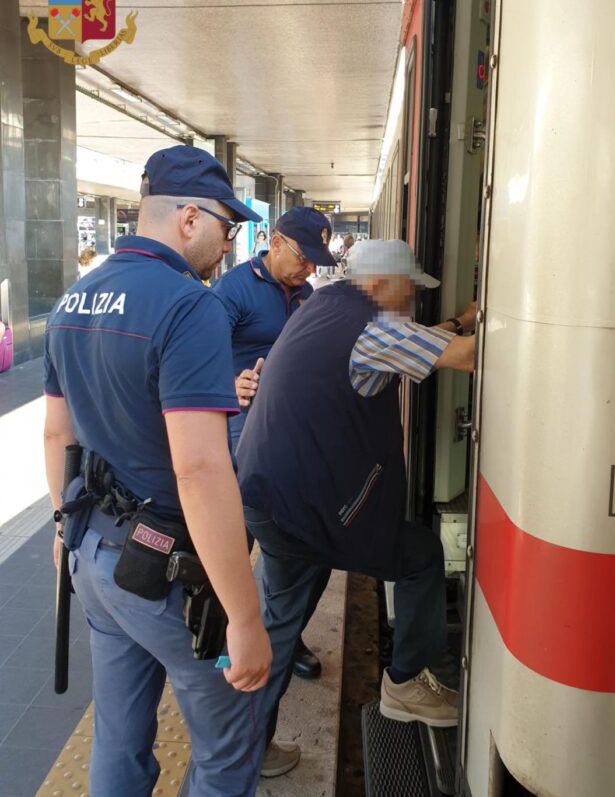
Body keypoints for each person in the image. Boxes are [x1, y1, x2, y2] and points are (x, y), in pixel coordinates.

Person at [43, 146, 271, 797]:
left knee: (118, 739)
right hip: (169, 576)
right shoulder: (187, 306)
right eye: (229, 229)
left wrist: (64, 535)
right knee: (229, 747)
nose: (229, 247)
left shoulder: (73, 300)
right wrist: (246, 618)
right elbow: (200, 470)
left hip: (95, 556)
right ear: (191, 219)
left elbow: (58, 435)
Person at [225, 239, 476, 791]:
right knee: (420, 556)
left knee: (281, 623)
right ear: (384, 283)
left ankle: (242, 748)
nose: (410, 300)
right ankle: (406, 684)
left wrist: (459, 318)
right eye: (409, 289)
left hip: (271, 494)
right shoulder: (375, 325)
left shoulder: (324, 303)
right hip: (307, 504)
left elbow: (418, 344)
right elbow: (467, 357)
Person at [213, 205, 338, 778]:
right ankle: (230, 653)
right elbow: (188, 360)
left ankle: (281, 638)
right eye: (302, 256)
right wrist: (228, 383)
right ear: (273, 240)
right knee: (233, 561)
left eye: (316, 261)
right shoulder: (233, 291)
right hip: (241, 451)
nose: (307, 269)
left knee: (284, 568)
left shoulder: (306, 296)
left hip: (286, 450)